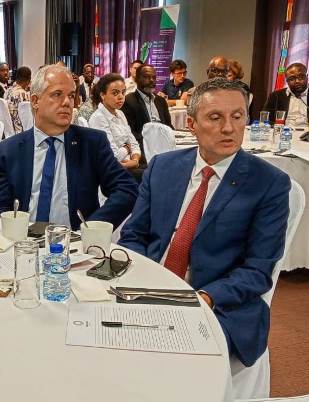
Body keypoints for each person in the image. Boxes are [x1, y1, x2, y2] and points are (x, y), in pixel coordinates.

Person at [119, 78, 290, 368]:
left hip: (217, 303)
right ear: (191, 124)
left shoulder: (269, 183)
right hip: (149, 288)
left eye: (238, 116)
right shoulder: (163, 167)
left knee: (158, 362)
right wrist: (144, 278)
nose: (229, 128)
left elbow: (258, 270)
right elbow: (134, 234)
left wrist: (206, 298)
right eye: (215, 117)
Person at [0, 64, 138, 230]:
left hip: (75, 242)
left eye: (71, 95)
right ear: (35, 101)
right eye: (57, 94)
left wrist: (91, 228)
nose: (67, 102)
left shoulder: (91, 143)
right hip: (24, 240)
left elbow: (127, 190)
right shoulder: (8, 151)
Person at [88, 74, 142, 181]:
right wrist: (127, 148)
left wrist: (135, 160)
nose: (121, 97)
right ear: (103, 95)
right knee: (152, 176)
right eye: (115, 93)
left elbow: (134, 143)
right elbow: (113, 156)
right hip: (111, 172)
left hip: (129, 164)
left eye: (123, 92)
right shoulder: (98, 118)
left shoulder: (120, 113)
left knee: (157, 167)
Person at [120, 63, 173, 164]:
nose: (151, 80)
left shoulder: (160, 101)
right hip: (144, 147)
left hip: (165, 144)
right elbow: (130, 132)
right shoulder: (128, 101)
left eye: (154, 77)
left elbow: (168, 125)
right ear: (137, 79)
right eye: (146, 77)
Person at [263, 62, 309, 127]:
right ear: (286, 81)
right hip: (283, 131)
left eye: (301, 77)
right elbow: (265, 118)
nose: (297, 81)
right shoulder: (276, 96)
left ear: (307, 76)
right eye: (292, 79)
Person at [3, 66, 31, 133]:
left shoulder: (7, 90)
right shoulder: (22, 94)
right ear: (29, 80)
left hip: (10, 129)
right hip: (21, 131)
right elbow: (28, 117)